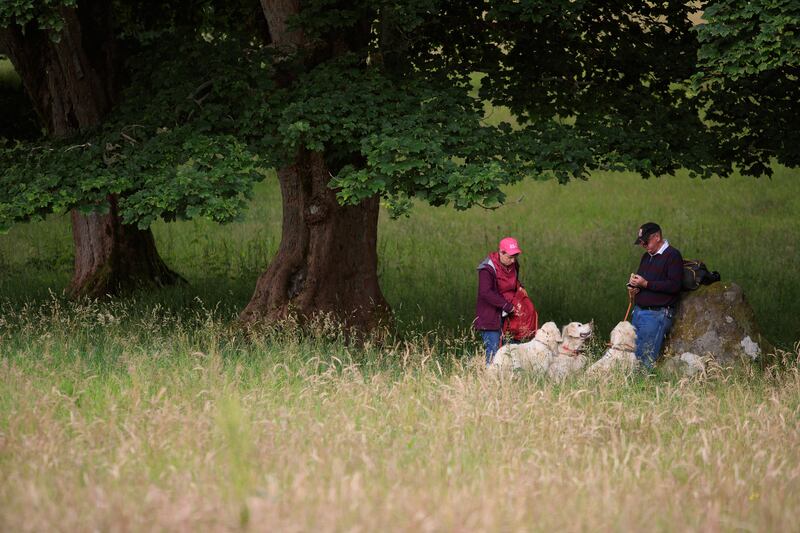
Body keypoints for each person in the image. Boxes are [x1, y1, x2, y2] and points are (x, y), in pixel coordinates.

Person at [627, 222, 683, 368]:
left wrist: (646, 284)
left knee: (644, 358)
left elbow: (674, 285)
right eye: (641, 242)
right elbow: (643, 282)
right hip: (639, 311)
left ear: (657, 237)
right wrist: (634, 288)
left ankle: (642, 387)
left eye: (646, 241)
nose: (643, 245)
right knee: (631, 356)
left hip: (656, 314)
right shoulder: (646, 257)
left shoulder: (672, 255)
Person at [474, 237, 527, 365]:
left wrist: (520, 287)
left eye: (515, 256)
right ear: (501, 252)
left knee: (510, 350)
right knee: (493, 352)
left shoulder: (514, 265)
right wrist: (505, 305)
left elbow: (513, 283)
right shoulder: (487, 268)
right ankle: (489, 380)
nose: (513, 260)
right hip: (490, 317)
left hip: (509, 315)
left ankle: (508, 381)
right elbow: (485, 292)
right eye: (510, 257)